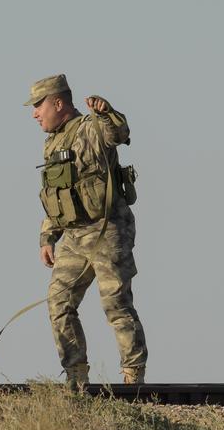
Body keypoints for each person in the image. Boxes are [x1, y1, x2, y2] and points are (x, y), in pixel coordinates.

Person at [27, 73, 147, 386]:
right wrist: (47, 236)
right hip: (75, 237)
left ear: (58, 102)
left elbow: (118, 132)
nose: (34, 113)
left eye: (39, 105)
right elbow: (56, 196)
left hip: (107, 230)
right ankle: (76, 377)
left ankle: (133, 378)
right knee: (59, 301)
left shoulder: (91, 128)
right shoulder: (52, 143)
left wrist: (107, 111)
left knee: (116, 304)